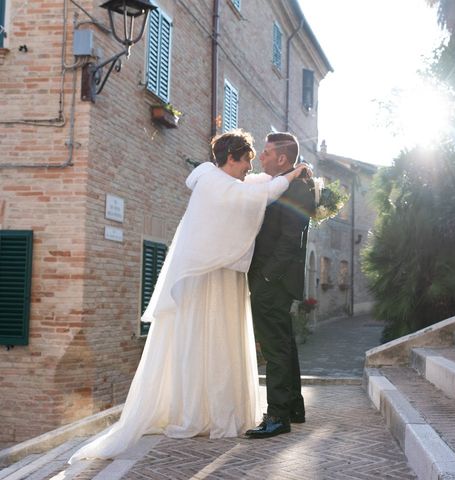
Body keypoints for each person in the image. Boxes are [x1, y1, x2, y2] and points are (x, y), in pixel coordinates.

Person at [69, 129, 309, 463]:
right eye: (246, 161)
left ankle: (239, 408)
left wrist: (289, 176)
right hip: (208, 276)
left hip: (221, 273)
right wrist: (294, 174)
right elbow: (259, 195)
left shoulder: (219, 180)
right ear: (230, 159)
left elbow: (252, 186)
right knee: (206, 339)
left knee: (224, 340)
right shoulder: (214, 183)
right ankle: (200, 411)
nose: (249, 169)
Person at [245, 132, 315, 439]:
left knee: (274, 348)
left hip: (273, 280)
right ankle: (293, 408)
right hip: (274, 279)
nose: (261, 157)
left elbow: (289, 240)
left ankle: (277, 416)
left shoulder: (295, 189)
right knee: (283, 343)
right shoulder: (288, 184)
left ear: (282, 158)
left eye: (266, 152)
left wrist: (267, 277)